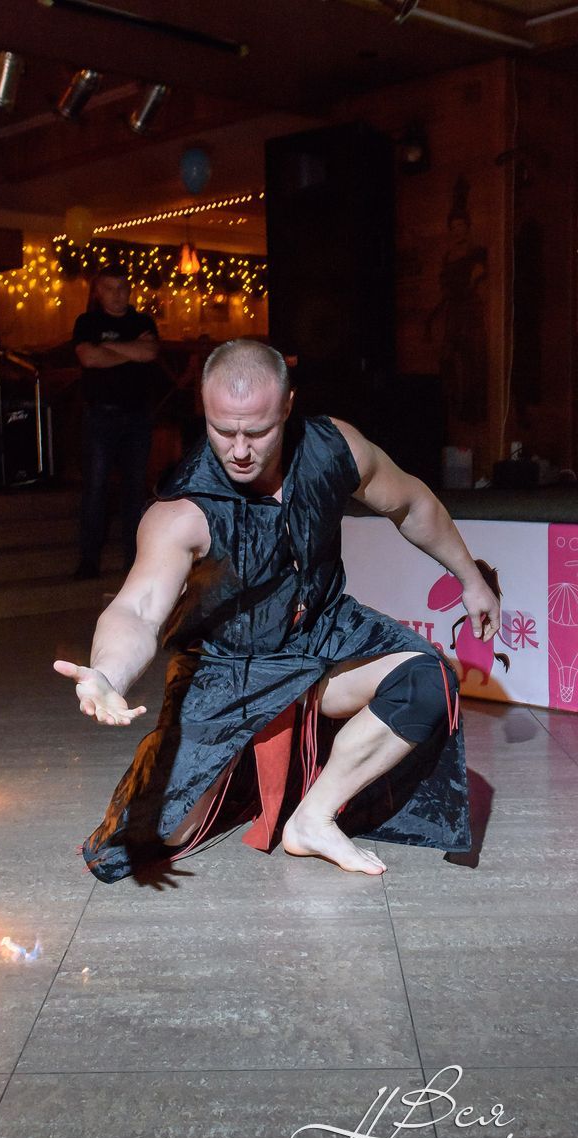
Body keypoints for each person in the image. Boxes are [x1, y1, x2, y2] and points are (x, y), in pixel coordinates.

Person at [54, 339, 500, 884]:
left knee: (429, 678)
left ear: (288, 406)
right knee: (158, 835)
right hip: (228, 670)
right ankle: (231, 765)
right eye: (223, 431)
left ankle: (313, 819)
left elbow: (412, 504)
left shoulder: (335, 448)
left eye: (258, 432)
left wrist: (471, 578)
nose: (240, 450)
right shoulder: (183, 512)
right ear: (202, 407)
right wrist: (108, 672)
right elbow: (138, 610)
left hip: (324, 635)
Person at [72, 265, 159, 579]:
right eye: (109, 288)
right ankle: (89, 560)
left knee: (135, 490)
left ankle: (134, 560)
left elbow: (149, 353)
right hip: (101, 415)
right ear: (98, 291)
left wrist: (107, 348)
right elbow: (88, 358)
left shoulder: (143, 321)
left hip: (138, 416)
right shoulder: (87, 322)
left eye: (122, 288)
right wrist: (131, 349)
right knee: (95, 487)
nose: (117, 294)